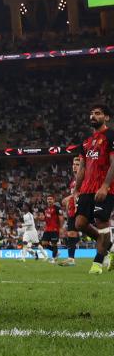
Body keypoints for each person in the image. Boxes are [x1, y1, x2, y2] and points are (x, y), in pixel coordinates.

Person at [75, 105, 114, 274]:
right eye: (91, 113)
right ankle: (107, 243)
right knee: (80, 224)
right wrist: (76, 190)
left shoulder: (111, 135)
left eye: (97, 113)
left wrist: (105, 186)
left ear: (106, 117)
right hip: (87, 189)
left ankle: (98, 262)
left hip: (105, 187)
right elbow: (82, 168)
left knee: (101, 220)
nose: (93, 116)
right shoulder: (86, 141)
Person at [41, 195, 60, 263]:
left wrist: (61, 227)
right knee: (44, 243)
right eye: (48, 199)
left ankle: (54, 259)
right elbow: (45, 218)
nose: (49, 200)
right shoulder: (45, 209)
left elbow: (61, 218)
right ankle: (57, 252)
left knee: (54, 244)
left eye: (51, 199)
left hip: (54, 229)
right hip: (47, 229)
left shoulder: (57, 208)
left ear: (53, 200)